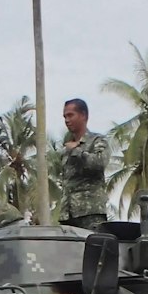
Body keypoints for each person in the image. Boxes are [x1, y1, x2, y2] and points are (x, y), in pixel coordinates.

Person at [60, 98, 110, 230]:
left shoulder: (97, 141)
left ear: (83, 115)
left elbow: (99, 163)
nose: (67, 120)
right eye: (65, 117)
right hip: (68, 215)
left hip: (90, 212)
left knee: (93, 243)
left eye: (70, 115)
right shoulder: (66, 148)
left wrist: (76, 151)